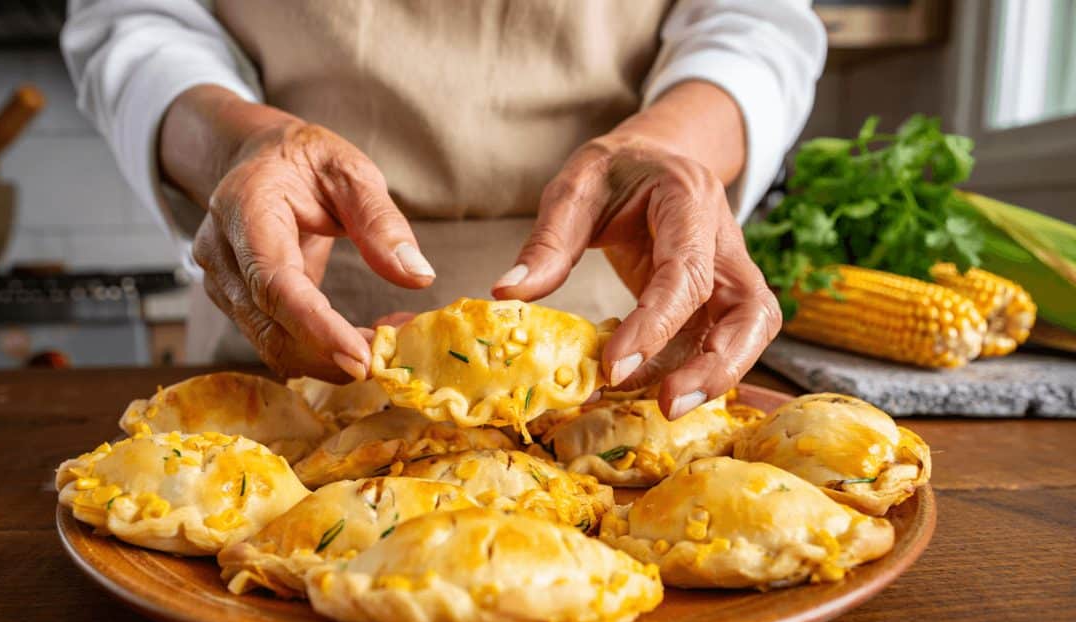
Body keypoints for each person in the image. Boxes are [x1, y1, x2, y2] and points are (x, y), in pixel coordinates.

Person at [62, 0, 825, 420]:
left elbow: (755, 22)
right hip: (289, 314)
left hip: (625, 339)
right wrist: (239, 144)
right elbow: (135, 19)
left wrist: (669, 146)